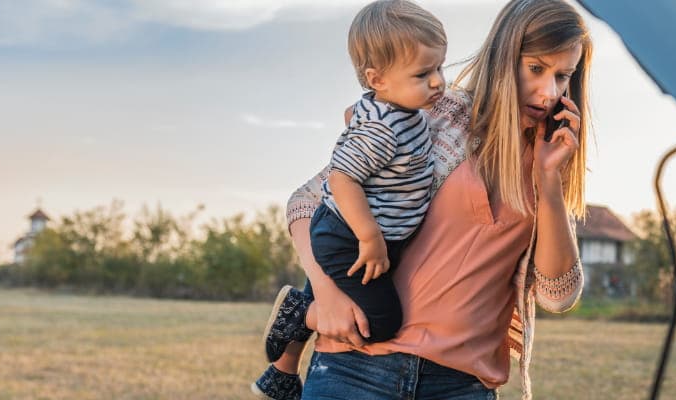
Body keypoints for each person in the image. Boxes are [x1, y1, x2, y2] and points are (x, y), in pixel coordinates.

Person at [275, 0, 592, 398]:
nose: (549, 92)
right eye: (535, 69)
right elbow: (306, 203)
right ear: (504, 57)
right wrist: (325, 295)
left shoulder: (551, 158)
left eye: (563, 76)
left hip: (460, 385)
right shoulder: (434, 116)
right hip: (357, 369)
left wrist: (548, 182)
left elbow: (558, 295)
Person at [251, 1, 447, 399]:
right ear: (378, 79)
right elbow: (341, 178)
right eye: (423, 74)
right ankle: (301, 315)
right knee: (382, 321)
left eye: (440, 68)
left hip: (357, 232)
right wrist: (370, 237)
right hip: (350, 235)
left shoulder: (399, 108)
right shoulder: (384, 128)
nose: (438, 82)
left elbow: (356, 113)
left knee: (354, 289)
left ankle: (282, 372)